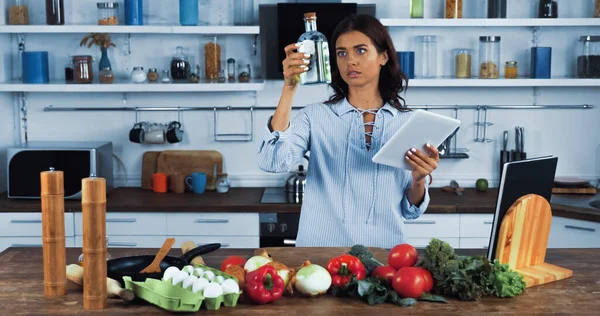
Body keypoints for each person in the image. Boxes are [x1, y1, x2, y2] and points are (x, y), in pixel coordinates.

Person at [257, 14, 439, 248]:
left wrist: (418, 180)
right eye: (342, 53)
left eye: (360, 50)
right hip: (318, 258)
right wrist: (289, 88)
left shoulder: (409, 123)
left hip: (384, 257)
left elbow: (410, 210)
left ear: (383, 56)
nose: (350, 61)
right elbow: (273, 161)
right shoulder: (315, 116)